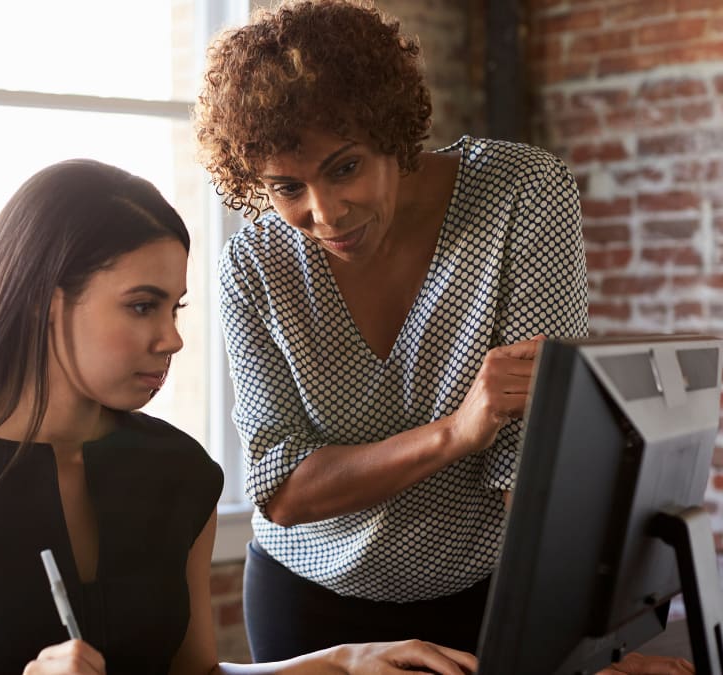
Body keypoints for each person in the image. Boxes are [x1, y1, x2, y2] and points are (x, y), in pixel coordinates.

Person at [0, 158, 480, 674]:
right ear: (43, 304)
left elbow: (195, 672)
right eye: (142, 305)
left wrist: (342, 660)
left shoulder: (180, 473)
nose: (171, 338)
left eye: (176, 308)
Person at [192, 0, 596, 661]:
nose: (324, 212)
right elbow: (283, 489)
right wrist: (456, 432)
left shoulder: (521, 194)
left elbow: (530, 465)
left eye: (345, 166)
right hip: (306, 601)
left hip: (485, 593)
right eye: (287, 187)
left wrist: (582, 644)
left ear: (392, 128)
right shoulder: (253, 263)